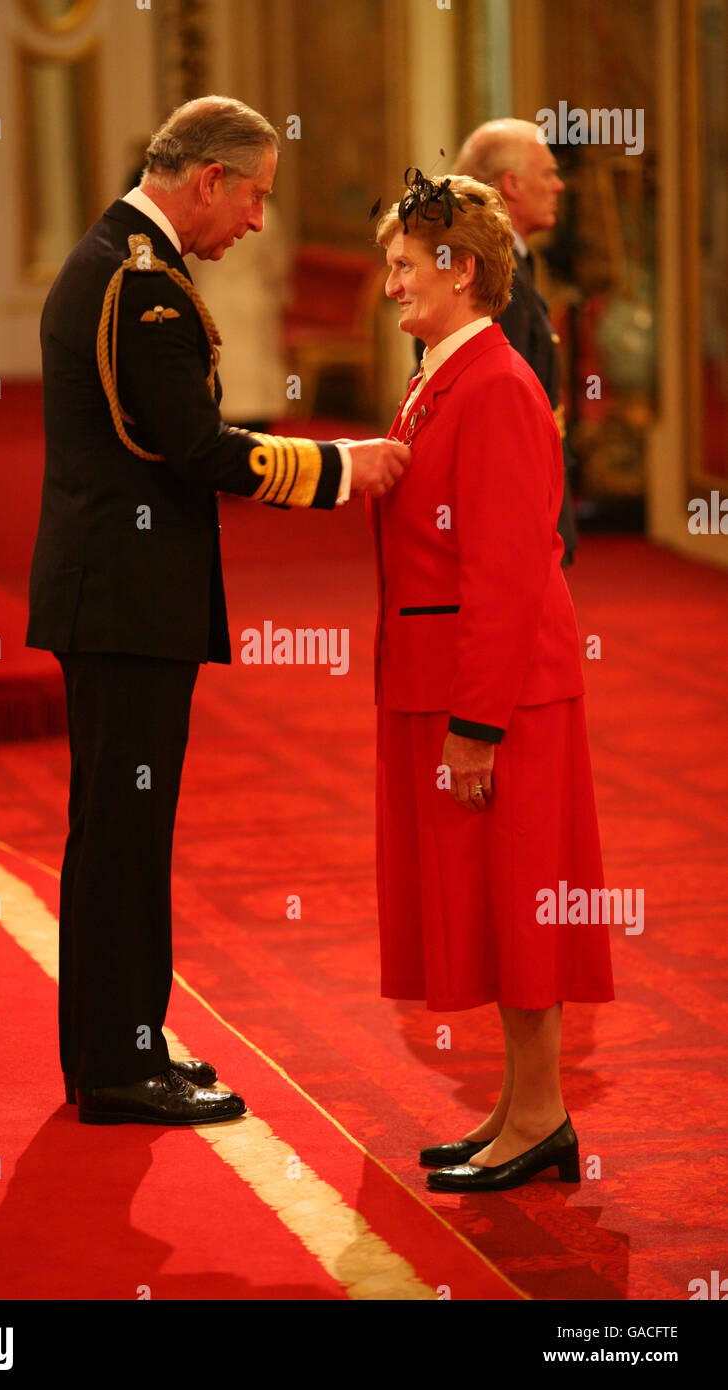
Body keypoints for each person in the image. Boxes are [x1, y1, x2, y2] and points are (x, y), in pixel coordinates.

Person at [26, 96, 409, 1127]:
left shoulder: (123, 262)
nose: (253, 222)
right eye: (252, 199)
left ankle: (124, 1051)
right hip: (122, 603)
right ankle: (118, 1066)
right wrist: (340, 468)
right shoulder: (139, 285)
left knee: (122, 834)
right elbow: (196, 449)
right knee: (122, 837)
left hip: (117, 597)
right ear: (207, 181)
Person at [370, 170, 613, 1192]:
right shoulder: (443, 372)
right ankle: (521, 1110)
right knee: (489, 901)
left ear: (456, 268)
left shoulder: (499, 385)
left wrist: (476, 726)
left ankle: (541, 1114)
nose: (388, 288)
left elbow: (508, 570)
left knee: (521, 902)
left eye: (399, 267)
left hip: (500, 694)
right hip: (446, 679)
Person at [440, 119, 577, 566]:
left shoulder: (514, 263)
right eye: (548, 173)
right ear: (512, 184)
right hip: (515, 514)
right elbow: (499, 413)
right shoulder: (495, 278)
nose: (558, 186)